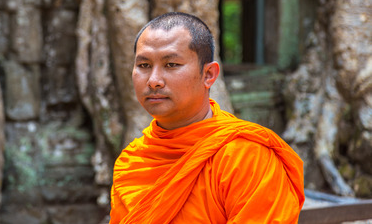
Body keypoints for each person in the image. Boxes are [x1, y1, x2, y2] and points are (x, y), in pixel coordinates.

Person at [109, 12, 305, 223]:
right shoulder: (132, 161)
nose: (154, 80)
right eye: (144, 66)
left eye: (171, 65)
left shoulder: (246, 157)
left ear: (208, 75)